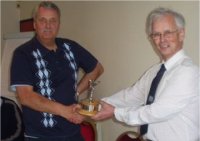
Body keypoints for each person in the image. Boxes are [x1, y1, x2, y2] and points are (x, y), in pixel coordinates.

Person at [92, 7, 199, 141]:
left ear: (181, 34)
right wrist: (96, 106)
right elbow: (132, 95)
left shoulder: (188, 72)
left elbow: (157, 112)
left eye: (167, 33)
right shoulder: (155, 71)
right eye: (156, 34)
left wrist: (115, 112)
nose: (162, 39)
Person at [10, 1, 103, 141]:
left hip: (73, 132)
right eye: (43, 20)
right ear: (35, 24)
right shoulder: (23, 54)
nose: (48, 26)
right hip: (40, 136)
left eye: (53, 21)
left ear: (58, 24)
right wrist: (64, 111)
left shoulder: (70, 47)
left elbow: (96, 69)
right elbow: (26, 97)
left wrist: (76, 91)